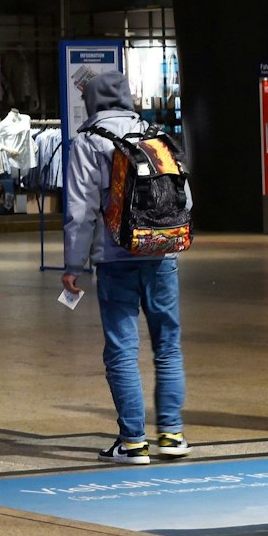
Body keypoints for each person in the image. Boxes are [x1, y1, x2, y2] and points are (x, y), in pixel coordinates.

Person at [60, 70, 189, 465]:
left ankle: (133, 441)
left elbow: (80, 211)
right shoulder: (154, 134)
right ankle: (172, 435)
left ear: (93, 102)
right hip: (161, 254)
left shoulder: (87, 142)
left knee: (121, 349)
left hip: (115, 257)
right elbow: (184, 195)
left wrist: (72, 264)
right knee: (167, 345)